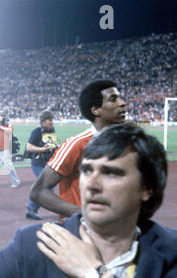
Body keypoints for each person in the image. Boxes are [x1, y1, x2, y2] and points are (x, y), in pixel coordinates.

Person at [0, 123, 177, 278]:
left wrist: (93, 273)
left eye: (111, 173)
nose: (91, 184)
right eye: (86, 171)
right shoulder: (38, 241)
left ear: (146, 188)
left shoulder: (171, 253)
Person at [30, 79, 126, 218]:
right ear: (96, 110)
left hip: (112, 231)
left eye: (120, 98)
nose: (122, 103)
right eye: (113, 99)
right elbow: (38, 191)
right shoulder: (75, 145)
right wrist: (82, 215)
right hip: (79, 233)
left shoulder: (125, 143)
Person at [25, 110, 57, 220]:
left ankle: (31, 208)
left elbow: (51, 144)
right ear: (43, 121)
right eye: (50, 120)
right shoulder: (36, 132)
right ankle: (31, 207)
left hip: (48, 164)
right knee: (46, 186)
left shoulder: (52, 131)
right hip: (38, 164)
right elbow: (28, 147)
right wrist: (42, 149)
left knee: (48, 186)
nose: (52, 122)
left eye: (53, 120)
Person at [0, 116, 20, 188]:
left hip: (6, 149)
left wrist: (0, 126)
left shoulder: (9, 125)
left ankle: (16, 182)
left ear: (5, 120)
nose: (0, 121)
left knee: (8, 166)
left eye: (1, 120)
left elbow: (10, 131)